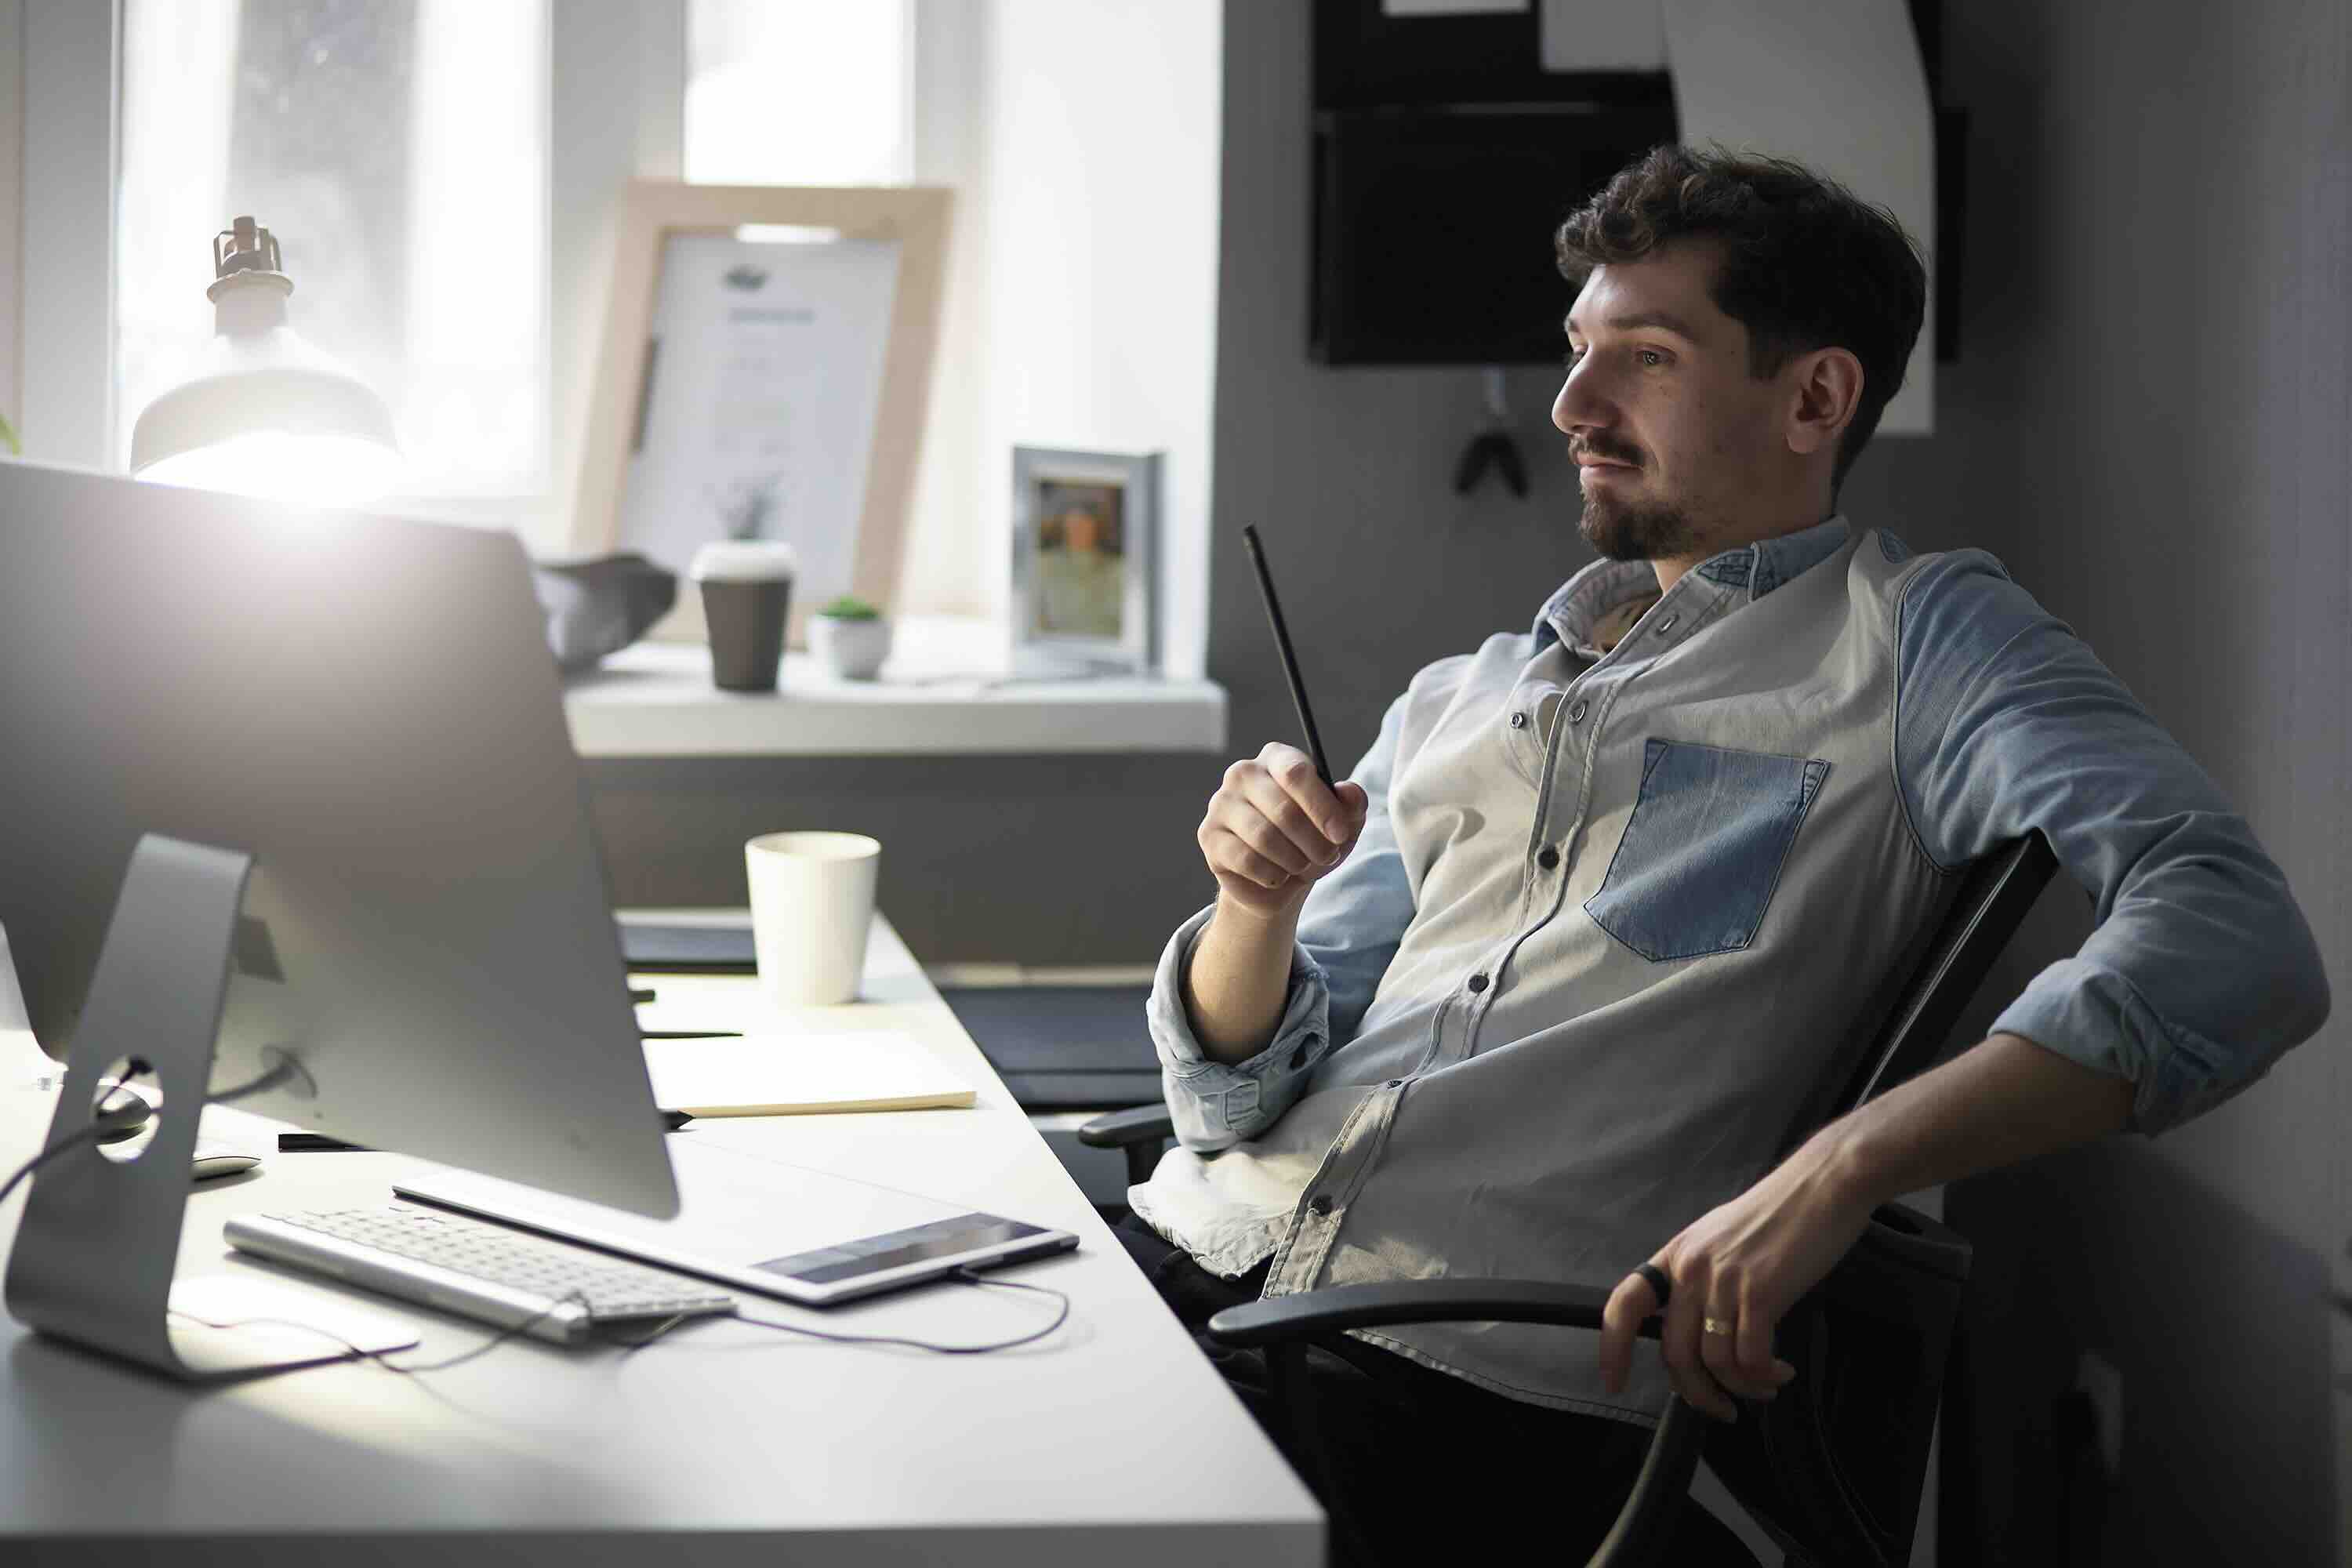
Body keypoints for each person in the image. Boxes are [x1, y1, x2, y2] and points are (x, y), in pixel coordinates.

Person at [1119, 143, 2330, 1564]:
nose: (1574, 406)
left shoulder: (1918, 643)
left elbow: (2233, 936)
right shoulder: (1468, 691)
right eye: (1578, 351)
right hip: (1188, 1271)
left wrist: (1842, 1170)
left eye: (1645, 358)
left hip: (1440, 1387)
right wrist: (1251, 907)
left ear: (1816, 396)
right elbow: (1234, 1093)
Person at [1034, 503, 1124, 639]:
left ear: (1097, 528)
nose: (1078, 530)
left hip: (1109, 648)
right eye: (1073, 525)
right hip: (1059, 648)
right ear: (1063, 527)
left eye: (1085, 524)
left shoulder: (1119, 567)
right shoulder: (1043, 564)